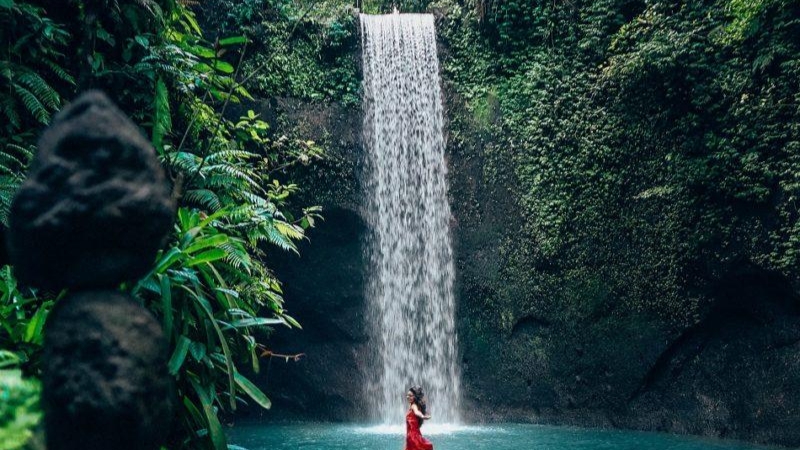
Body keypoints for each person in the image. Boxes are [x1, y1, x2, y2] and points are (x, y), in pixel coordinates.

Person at [405, 385, 433, 450]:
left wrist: (422, 416)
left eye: (410, 395)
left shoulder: (414, 406)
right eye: (407, 395)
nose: (408, 397)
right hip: (414, 434)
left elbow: (417, 412)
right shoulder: (414, 405)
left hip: (412, 435)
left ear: (415, 397)